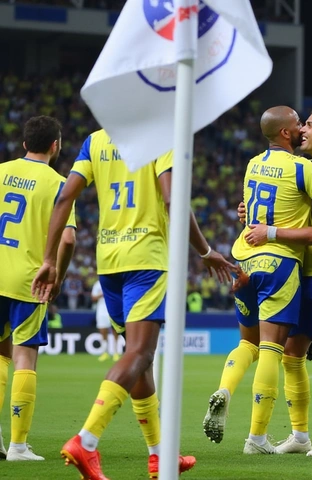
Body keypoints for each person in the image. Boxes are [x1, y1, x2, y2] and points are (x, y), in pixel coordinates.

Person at [32, 128, 237, 479]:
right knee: (141, 354)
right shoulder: (161, 136)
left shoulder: (95, 141)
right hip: (146, 260)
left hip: (108, 262)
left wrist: (49, 258)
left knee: (141, 361)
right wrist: (205, 251)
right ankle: (87, 439)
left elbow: (65, 198)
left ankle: (160, 456)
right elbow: (172, 200)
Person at [202, 106, 312, 455]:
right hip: (296, 271)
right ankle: (300, 436)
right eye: (301, 124)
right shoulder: (302, 170)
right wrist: (250, 213)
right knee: (291, 356)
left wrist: (269, 229)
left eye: (309, 125)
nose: (303, 130)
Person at [0, 116, 77, 461]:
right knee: (24, 357)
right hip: (29, 281)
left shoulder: (1, 172)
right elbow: (69, 237)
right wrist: (57, 277)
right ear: (55, 146)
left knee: (0, 356)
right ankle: (18, 445)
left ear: (23, 144)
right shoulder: (60, 184)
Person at [91, 279, 120, 362]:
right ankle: (104, 352)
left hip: (113, 309)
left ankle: (116, 352)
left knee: (115, 330)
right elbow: (93, 297)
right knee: (103, 331)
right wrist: (102, 294)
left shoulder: (114, 282)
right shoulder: (97, 284)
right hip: (101, 311)